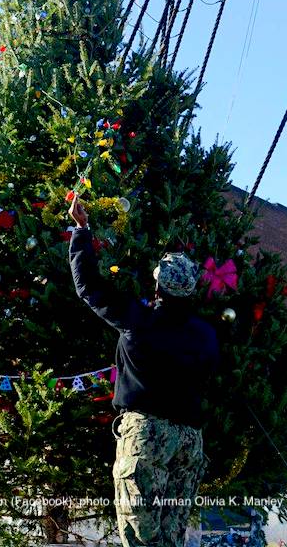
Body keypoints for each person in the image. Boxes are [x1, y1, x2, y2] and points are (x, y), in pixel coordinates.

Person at [67, 194, 219, 547]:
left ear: (158, 285)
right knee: (171, 535)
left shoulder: (139, 319)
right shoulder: (206, 334)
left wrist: (81, 230)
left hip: (146, 436)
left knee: (140, 536)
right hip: (189, 441)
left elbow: (88, 286)